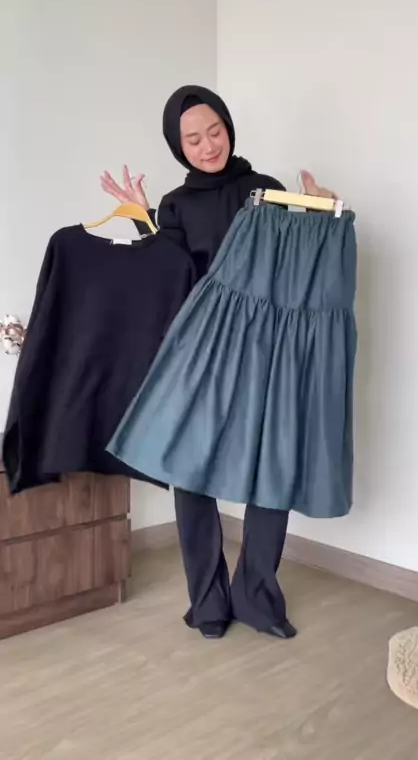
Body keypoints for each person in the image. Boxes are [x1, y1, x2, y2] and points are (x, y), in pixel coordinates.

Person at [101, 85, 335, 641]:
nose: (208, 146)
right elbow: (169, 276)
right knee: (191, 473)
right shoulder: (176, 205)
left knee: (272, 467)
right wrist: (143, 219)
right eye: (193, 139)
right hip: (200, 352)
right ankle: (207, 602)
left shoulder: (266, 189)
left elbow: (297, 268)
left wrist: (320, 211)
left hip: (266, 351)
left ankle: (257, 598)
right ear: (177, 146)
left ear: (228, 127)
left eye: (215, 131)